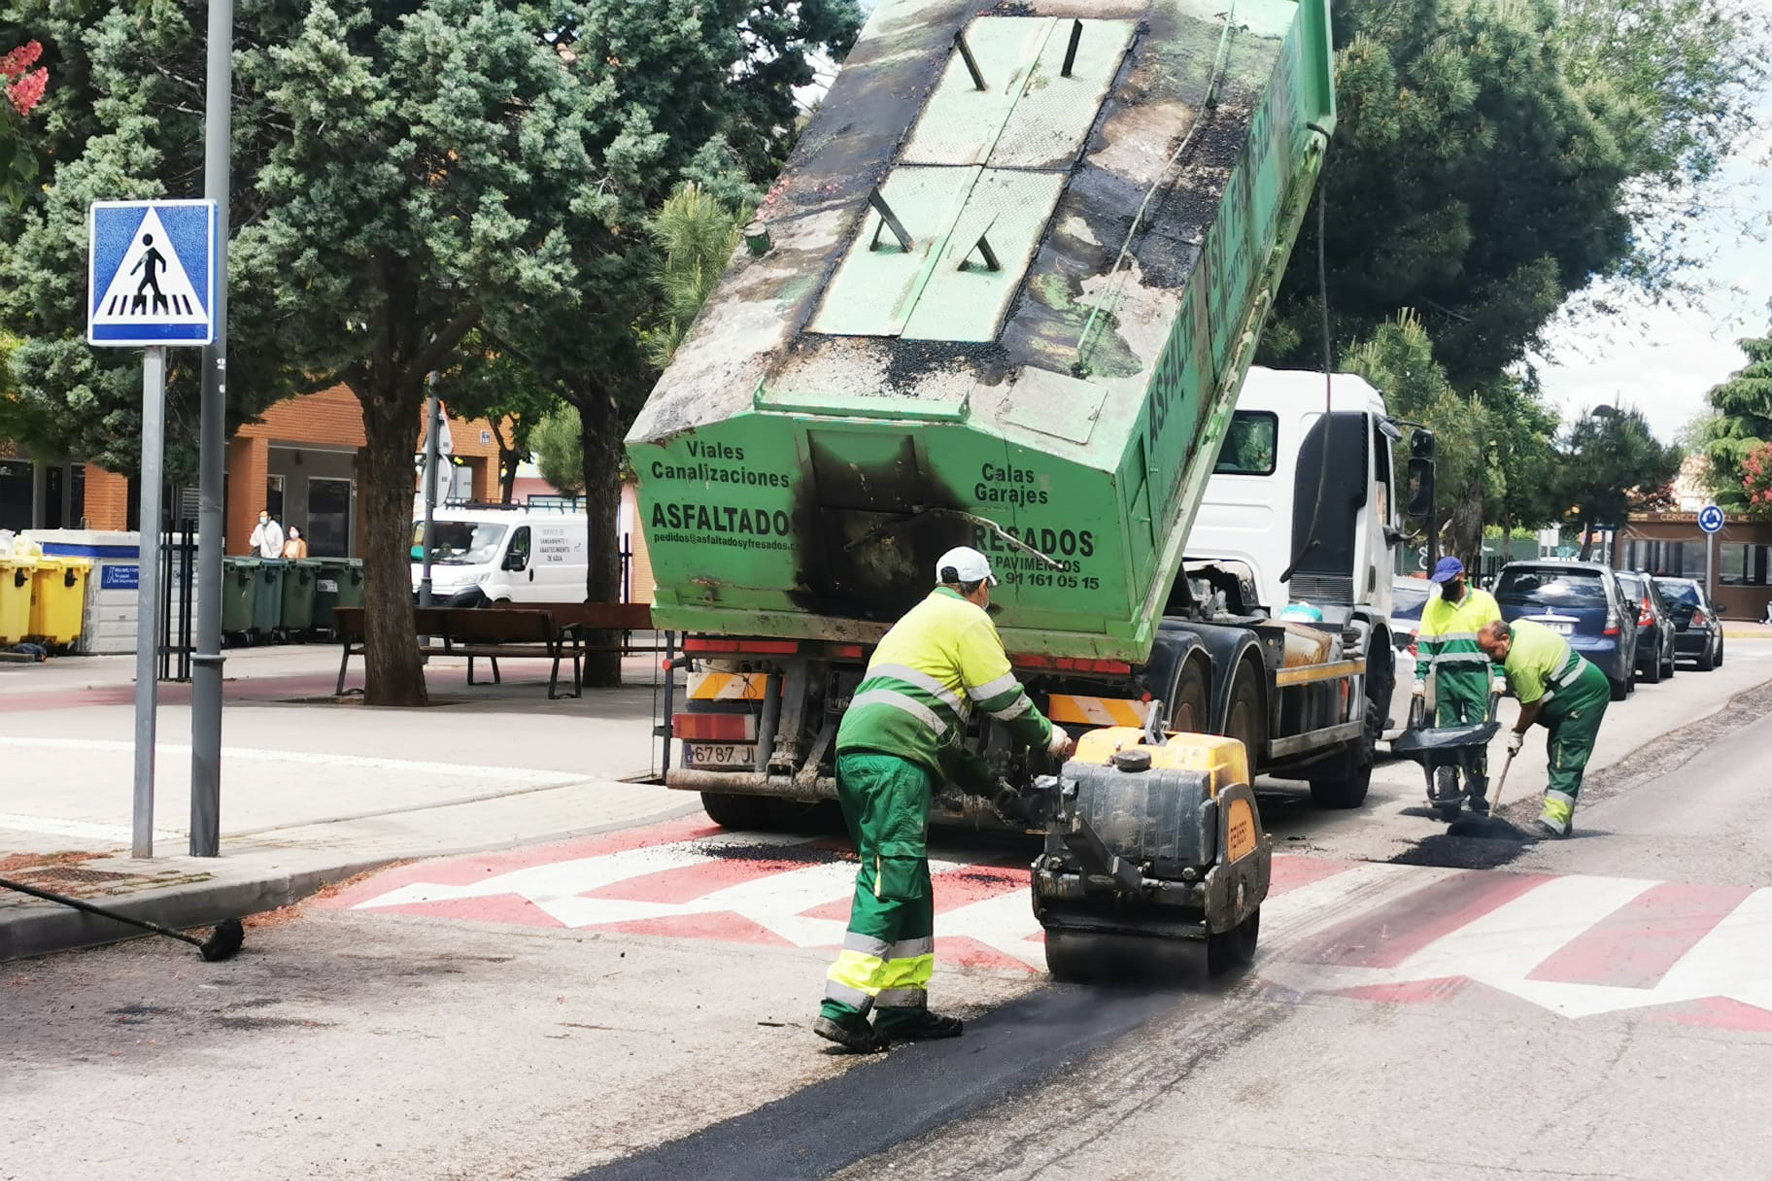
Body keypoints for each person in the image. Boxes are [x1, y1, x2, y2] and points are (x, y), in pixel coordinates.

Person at [815, 546, 1073, 1053]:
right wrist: (1051, 739)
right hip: (895, 763)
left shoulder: (914, 622)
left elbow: (946, 747)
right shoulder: (967, 620)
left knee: (908, 879)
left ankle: (902, 1009)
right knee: (890, 879)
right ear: (981, 587)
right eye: (988, 590)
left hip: (861, 756)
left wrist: (1000, 794)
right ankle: (841, 1009)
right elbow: (1003, 698)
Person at [1477, 618, 1611, 838]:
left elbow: (1532, 705)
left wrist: (1518, 732)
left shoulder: (1522, 663)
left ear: (1505, 639)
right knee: (1558, 752)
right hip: (1570, 694)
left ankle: (1554, 823)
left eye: (1492, 651)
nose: (1491, 658)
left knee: (1565, 756)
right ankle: (1561, 819)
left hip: (1583, 697)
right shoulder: (1517, 627)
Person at [1412, 557, 1502, 811]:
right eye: (1441, 583)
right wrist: (1420, 677)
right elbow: (1426, 644)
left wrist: (1500, 674)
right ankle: (1447, 782)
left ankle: (1477, 789)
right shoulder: (1434, 606)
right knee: (1446, 734)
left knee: (1476, 735)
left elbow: (1498, 641)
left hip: (1475, 675)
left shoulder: (1484, 602)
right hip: (1446, 676)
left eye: (1448, 582)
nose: (1445, 587)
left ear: (1461, 576)